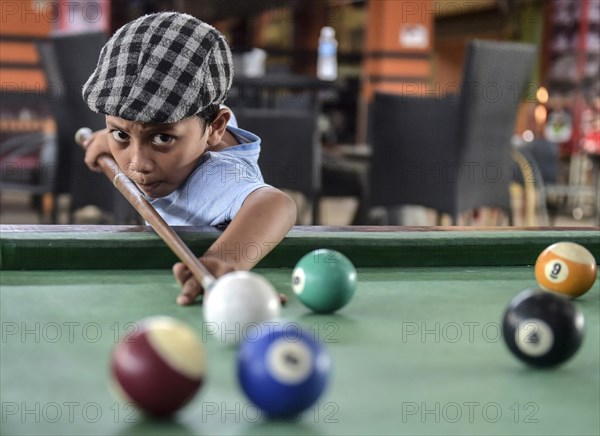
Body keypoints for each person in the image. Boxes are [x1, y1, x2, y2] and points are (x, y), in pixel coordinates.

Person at [80, 12, 297, 305]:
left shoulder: (217, 174)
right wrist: (110, 137)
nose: (137, 164)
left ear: (215, 128)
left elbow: (276, 204)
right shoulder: (198, 124)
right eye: (122, 135)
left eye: (162, 138)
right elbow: (145, 127)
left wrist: (223, 262)